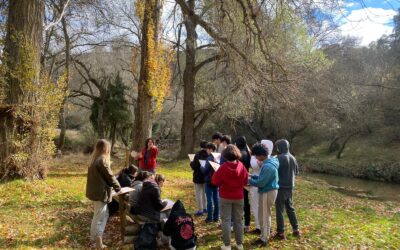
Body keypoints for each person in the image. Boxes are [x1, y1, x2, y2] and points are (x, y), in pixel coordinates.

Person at [86, 139, 121, 249]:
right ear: (105, 148)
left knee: (103, 214)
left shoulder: (94, 159)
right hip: (100, 193)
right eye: (109, 148)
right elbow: (110, 176)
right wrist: (118, 188)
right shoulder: (101, 160)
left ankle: (95, 237)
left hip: (95, 192)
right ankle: (96, 240)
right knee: (99, 216)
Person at [211, 145, 248, 250]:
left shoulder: (222, 167)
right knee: (239, 220)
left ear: (225, 156)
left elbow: (214, 181)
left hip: (225, 196)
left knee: (226, 220)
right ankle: (239, 244)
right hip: (239, 196)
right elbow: (245, 181)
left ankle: (227, 245)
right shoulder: (241, 166)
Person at [249, 143, 279, 247]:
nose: (256, 158)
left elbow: (261, 183)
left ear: (262, 155)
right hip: (268, 190)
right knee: (264, 215)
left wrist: (248, 180)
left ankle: (264, 239)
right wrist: (252, 176)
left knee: (264, 216)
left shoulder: (268, 166)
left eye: (256, 155)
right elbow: (262, 178)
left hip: (267, 191)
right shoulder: (268, 163)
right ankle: (264, 235)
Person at [272, 139, 300, 240]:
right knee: (290, 208)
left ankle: (280, 232)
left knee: (280, 210)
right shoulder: (293, 157)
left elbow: (274, 172)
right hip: (290, 187)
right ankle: (296, 229)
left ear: (280, 147)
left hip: (281, 187)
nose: (276, 148)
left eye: (277, 147)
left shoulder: (278, 158)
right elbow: (296, 172)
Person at [234, 136, 251, 232]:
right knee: (245, 202)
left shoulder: (240, 154)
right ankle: (247, 223)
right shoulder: (247, 151)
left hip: (240, 180)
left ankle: (241, 223)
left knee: (241, 203)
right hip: (246, 178)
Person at [200, 142, 219, 223]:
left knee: (210, 200)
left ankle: (210, 218)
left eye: (207, 149)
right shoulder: (219, 157)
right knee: (216, 199)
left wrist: (202, 166)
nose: (206, 151)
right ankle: (216, 217)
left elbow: (205, 170)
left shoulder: (209, 158)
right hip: (217, 181)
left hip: (209, 181)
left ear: (211, 149)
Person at [190, 141, 208, 216]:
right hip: (206, 177)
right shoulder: (209, 155)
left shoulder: (197, 155)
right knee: (205, 194)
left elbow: (194, 166)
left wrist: (191, 162)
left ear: (200, 146)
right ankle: (205, 208)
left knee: (198, 194)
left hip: (198, 176)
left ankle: (200, 210)